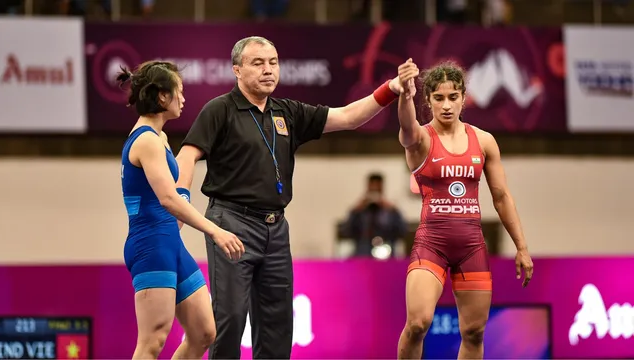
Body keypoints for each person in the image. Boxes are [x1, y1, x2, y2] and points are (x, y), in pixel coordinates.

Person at [175, 36, 405, 359]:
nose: (268, 70)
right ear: (237, 70)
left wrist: (390, 89)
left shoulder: (288, 112)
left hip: (276, 228)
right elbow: (187, 155)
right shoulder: (220, 109)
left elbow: (350, 117)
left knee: (278, 325)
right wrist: (180, 202)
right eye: (258, 63)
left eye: (273, 62)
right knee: (229, 319)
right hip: (231, 223)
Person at [394, 58, 534, 359]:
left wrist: (521, 246)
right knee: (418, 323)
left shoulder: (484, 141)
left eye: (453, 97)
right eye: (439, 98)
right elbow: (406, 125)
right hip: (431, 243)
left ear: (463, 99)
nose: (446, 105)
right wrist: (405, 93)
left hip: (471, 246)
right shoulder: (420, 139)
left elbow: (502, 197)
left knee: (474, 331)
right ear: (428, 101)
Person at [118, 60, 245, 359]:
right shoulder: (147, 141)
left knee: (204, 332)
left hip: (169, 244)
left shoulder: (159, 137)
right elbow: (168, 199)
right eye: (180, 91)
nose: (184, 98)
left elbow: (175, 191)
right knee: (152, 341)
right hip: (150, 246)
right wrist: (215, 230)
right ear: (163, 97)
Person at [341, 172, 407, 258]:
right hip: (363, 255)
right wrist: (355, 210)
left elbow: (403, 231)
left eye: (377, 190)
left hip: (386, 255)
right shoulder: (359, 211)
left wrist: (393, 210)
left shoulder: (390, 211)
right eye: (372, 190)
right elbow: (346, 231)